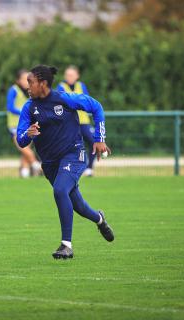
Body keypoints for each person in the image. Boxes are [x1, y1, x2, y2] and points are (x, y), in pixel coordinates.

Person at [17, 65, 114, 259]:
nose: (28, 86)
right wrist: (27, 134)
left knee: (60, 190)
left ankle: (66, 245)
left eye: (31, 82)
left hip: (74, 154)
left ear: (43, 84)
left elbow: (96, 107)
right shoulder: (29, 107)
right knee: (77, 205)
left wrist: (99, 138)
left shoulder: (65, 98)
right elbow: (21, 140)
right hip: (50, 163)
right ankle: (99, 218)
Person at [57, 65, 96, 177]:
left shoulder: (81, 86)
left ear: (77, 76)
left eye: (71, 75)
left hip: (83, 121)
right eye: (67, 75)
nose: (69, 77)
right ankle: (66, 168)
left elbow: (87, 100)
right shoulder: (61, 87)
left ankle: (89, 168)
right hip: (69, 122)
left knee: (93, 142)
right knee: (68, 146)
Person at [6, 69, 41, 178]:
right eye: (24, 79)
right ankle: (37, 166)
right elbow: (10, 107)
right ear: (18, 80)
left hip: (28, 125)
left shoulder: (32, 91)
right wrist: (24, 112)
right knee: (25, 149)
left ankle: (24, 174)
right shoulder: (13, 90)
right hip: (15, 125)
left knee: (25, 149)